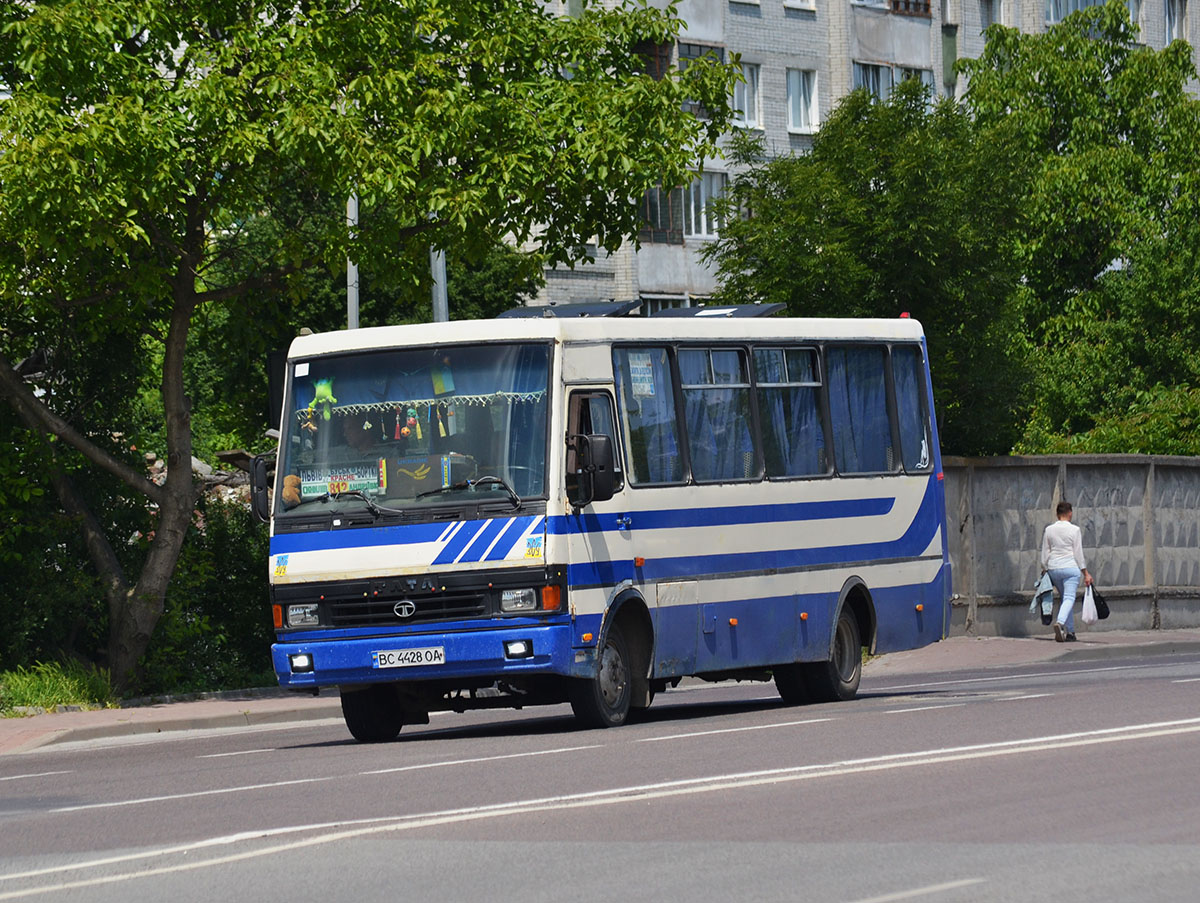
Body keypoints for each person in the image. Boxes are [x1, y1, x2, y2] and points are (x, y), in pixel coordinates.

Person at [1040, 500, 1092, 643]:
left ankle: (1071, 632)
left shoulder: (1049, 529)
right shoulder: (1074, 530)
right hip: (1070, 568)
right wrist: (1085, 573)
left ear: (1057, 514)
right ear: (1070, 513)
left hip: (1054, 568)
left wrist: (1044, 568)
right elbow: (1078, 553)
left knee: (1065, 599)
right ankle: (1060, 622)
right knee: (1069, 598)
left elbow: (1045, 551)